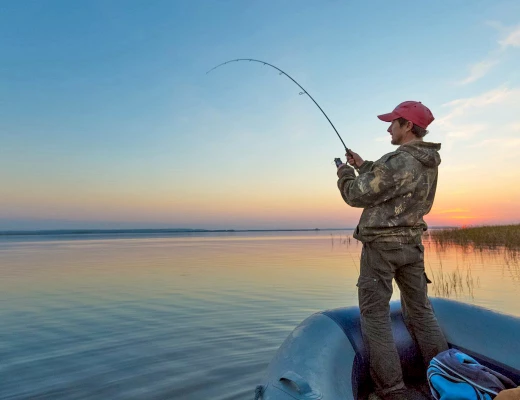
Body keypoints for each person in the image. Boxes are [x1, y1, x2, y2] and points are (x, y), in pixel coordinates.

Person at [336, 101, 449, 400]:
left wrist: (345, 174)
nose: (388, 127)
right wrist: (364, 165)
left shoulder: (399, 160)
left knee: (374, 315)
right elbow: (393, 180)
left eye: (393, 122)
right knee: (421, 313)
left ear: (408, 126)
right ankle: (445, 377)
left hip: (382, 248)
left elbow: (356, 195)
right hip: (412, 245)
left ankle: (392, 391)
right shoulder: (427, 161)